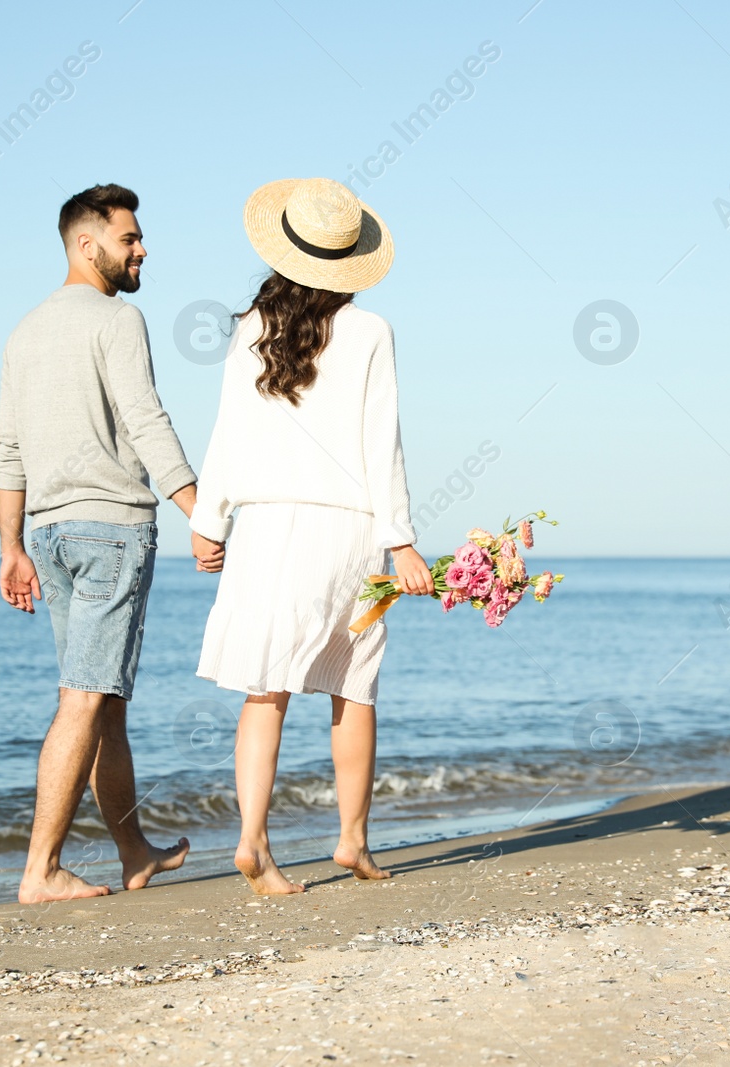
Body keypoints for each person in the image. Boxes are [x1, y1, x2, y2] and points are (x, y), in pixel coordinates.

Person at [189, 177, 434, 895]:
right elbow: (379, 440)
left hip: (265, 527)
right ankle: (353, 839)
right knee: (352, 688)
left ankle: (252, 843)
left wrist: (210, 519)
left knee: (264, 689)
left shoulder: (250, 328)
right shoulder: (370, 331)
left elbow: (228, 431)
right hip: (346, 530)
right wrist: (403, 539)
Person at [0, 183, 223, 904]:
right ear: (87, 244)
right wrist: (199, 508)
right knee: (85, 697)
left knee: (104, 700)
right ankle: (41, 869)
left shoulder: (23, 331)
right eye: (130, 238)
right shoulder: (118, 318)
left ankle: (132, 851)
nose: (142, 249)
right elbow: (146, 418)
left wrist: (11, 546)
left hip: (50, 533)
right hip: (112, 531)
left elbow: (8, 452)